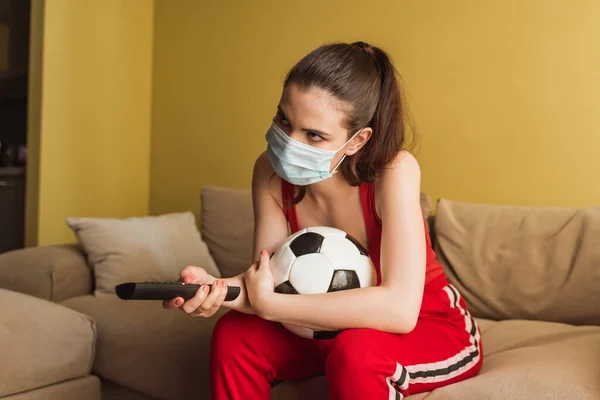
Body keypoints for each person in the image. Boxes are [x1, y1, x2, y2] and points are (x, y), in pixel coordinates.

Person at [163, 41, 483, 399]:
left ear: (357, 141)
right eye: (284, 119)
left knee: (358, 352)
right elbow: (269, 280)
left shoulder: (395, 170)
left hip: (426, 326)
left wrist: (270, 305)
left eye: (314, 135)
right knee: (234, 334)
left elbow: (399, 310)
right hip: (325, 328)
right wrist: (216, 289)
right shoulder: (268, 171)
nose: (288, 142)